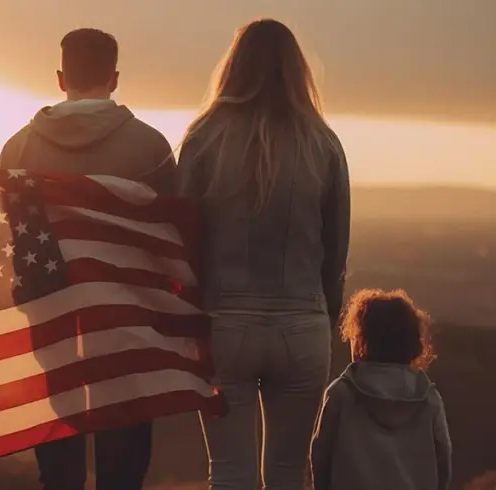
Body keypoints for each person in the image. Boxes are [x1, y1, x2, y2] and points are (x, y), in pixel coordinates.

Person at [0, 28, 176, 490]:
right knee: (124, 462)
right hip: (128, 319)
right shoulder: (151, 148)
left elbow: (10, 237)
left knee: (58, 463)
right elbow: (170, 238)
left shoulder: (17, 150)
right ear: (114, 79)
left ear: (61, 78)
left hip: (51, 317)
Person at [174, 18, 350, 490]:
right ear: (297, 70)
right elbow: (336, 252)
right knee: (289, 473)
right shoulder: (323, 143)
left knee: (230, 472)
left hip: (223, 323)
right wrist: (323, 315)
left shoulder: (204, 137)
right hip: (302, 323)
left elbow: (181, 240)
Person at [310, 289, 452, 490]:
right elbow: (443, 462)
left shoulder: (341, 394)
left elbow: (320, 459)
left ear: (361, 339)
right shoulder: (429, 399)